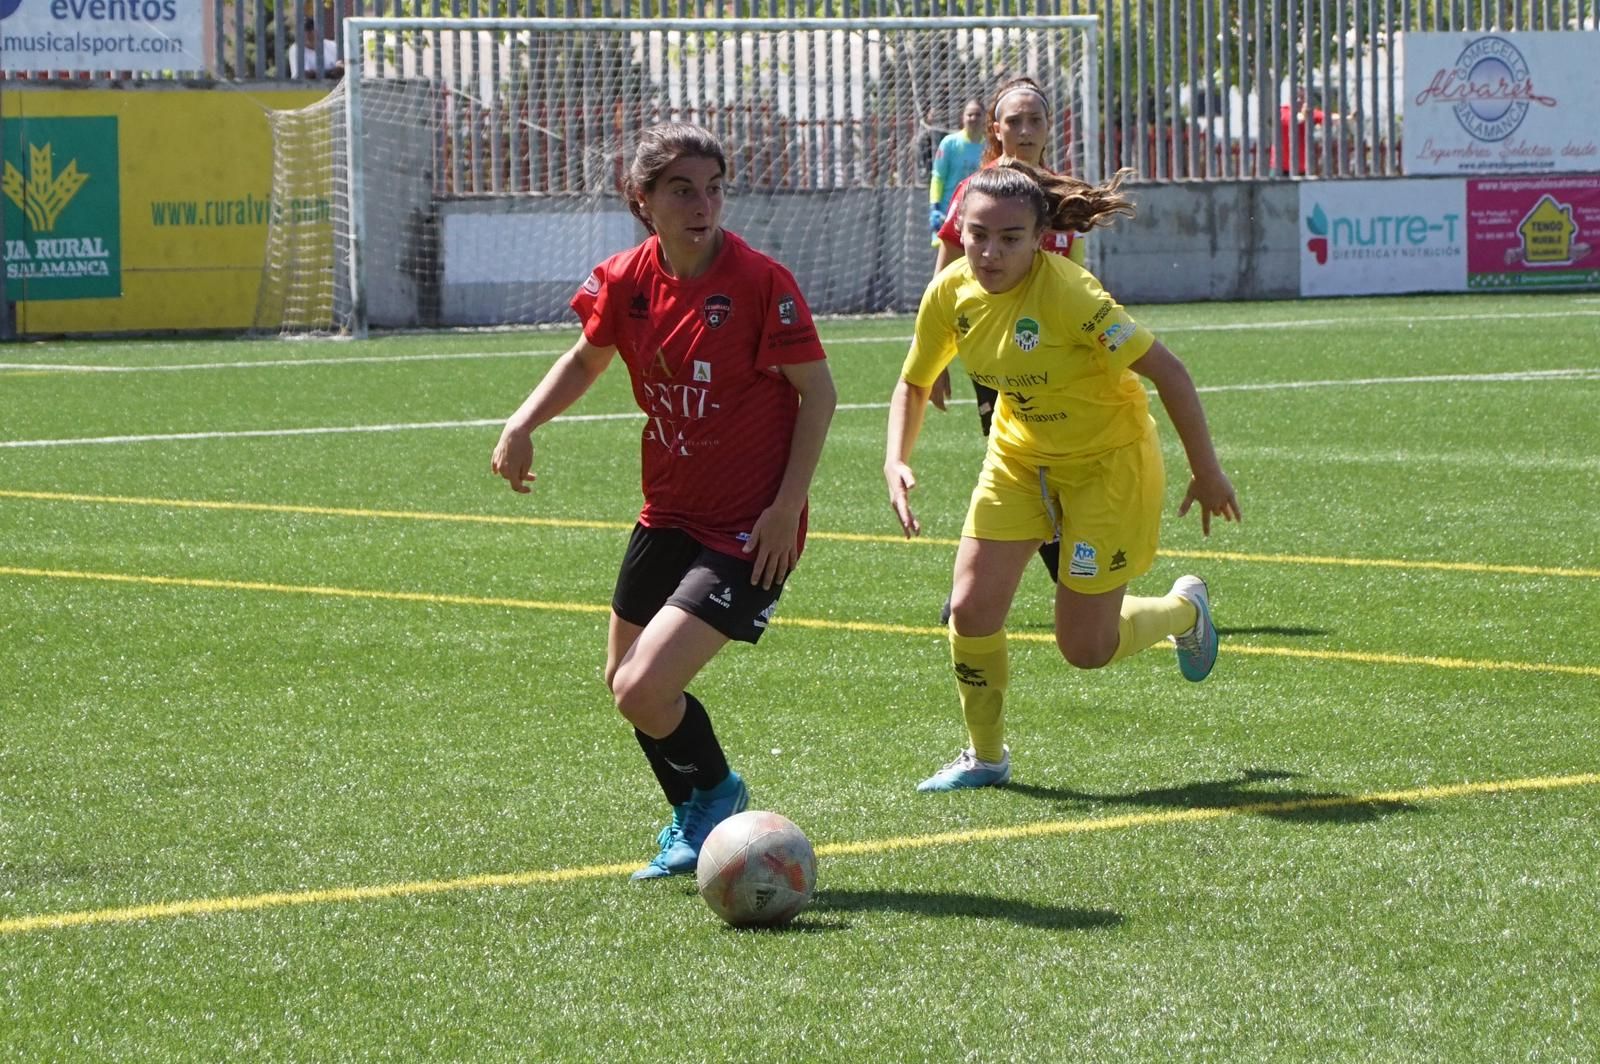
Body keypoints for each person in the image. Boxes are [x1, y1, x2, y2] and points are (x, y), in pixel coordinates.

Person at [491, 124, 837, 878]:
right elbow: (588, 357)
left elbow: (819, 393)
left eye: (713, 187)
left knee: (648, 687)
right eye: (681, 189)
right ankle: (695, 812)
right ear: (641, 199)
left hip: (750, 526)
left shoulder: (758, 281)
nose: (702, 203)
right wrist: (523, 422)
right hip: (668, 513)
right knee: (625, 687)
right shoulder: (626, 279)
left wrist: (787, 508)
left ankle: (717, 794)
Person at [884, 160, 1241, 792]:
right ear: (959, 231)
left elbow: (1171, 373)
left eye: (1010, 238)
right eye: (977, 235)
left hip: (1109, 466)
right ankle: (986, 758)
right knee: (969, 609)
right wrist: (896, 458)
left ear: (1041, 235)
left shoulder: (1073, 294)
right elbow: (914, 381)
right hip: (1019, 458)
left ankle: (1185, 611)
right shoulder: (951, 293)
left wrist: (1207, 472)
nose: (990, 252)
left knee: (1086, 649)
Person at [930, 76, 1088, 618]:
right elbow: (948, 272)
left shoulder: (1063, 192)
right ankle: (1001, 586)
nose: (1024, 130)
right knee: (1020, 465)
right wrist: (935, 354)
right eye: (1013, 121)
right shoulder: (978, 190)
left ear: (1049, 128)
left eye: (1034, 120)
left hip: (1064, 358)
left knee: (1060, 469)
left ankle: (994, 586)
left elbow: (1080, 275)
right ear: (995, 131)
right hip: (998, 356)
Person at [928, 99, 986, 246]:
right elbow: (938, 177)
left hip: (979, 215)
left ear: (985, 118)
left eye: (978, 114)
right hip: (949, 214)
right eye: (969, 114)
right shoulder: (949, 143)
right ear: (963, 117)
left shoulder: (989, 147)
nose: (973, 118)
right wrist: (934, 207)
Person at [1271, 88, 1328, 176]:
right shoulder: (1283, 111)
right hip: (1280, 168)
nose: (1298, 100)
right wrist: (1305, 115)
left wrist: (1349, 117)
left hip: (1302, 169)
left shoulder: (1308, 113)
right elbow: (1295, 121)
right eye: (1296, 97)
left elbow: (1328, 117)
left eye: (1301, 97)